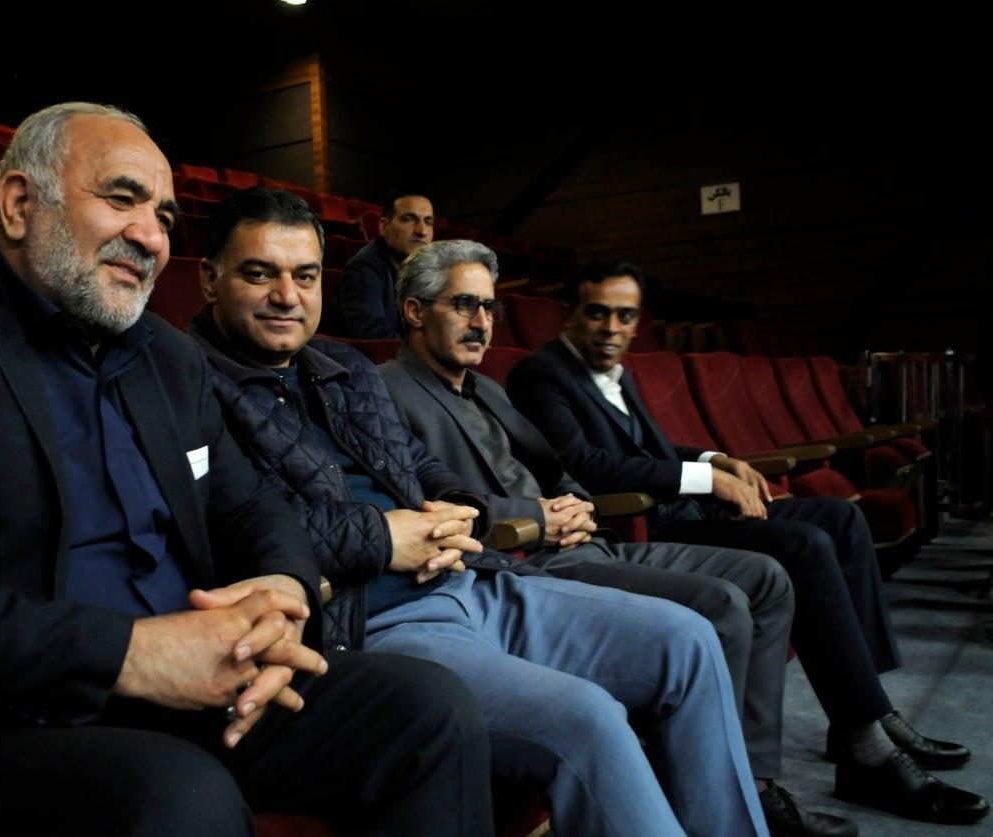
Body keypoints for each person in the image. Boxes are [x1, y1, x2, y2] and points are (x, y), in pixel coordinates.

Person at [0, 102, 497, 836]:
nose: (152, 236)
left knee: (429, 709)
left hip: (200, 690)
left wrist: (283, 594)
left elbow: (252, 509)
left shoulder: (168, 355)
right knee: (179, 795)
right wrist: (129, 654)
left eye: (163, 216)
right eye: (122, 198)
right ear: (20, 204)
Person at [189, 186, 769, 836]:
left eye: (305, 275)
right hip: (375, 620)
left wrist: (458, 510)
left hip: (476, 577)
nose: (287, 295)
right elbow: (235, 523)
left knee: (690, 640)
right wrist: (382, 536)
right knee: (589, 718)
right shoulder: (188, 386)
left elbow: (415, 461)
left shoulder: (343, 365)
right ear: (210, 279)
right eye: (259, 274)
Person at [379, 238, 868, 836]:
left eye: (489, 308)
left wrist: (577, 505)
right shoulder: (386, 391)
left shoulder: (489, 389)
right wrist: (536, 515)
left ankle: (752, 779)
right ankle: (711, 793)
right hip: (525, 559)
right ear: (414, 311)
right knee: (720, 603)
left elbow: (560, 468)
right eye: (464, 305)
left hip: (584, 537)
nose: (481, 322)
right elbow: (424, 506)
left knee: (765, 578)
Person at [507, 258, 989, 827]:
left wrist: (717, 458)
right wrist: (708, 480)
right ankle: (866, 746)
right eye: (598, 313)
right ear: (569, 315)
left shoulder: (617, 372)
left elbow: (650, 450)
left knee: (841, 519)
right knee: (805, 544)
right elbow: (584, 464)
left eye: (625, 316)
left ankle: (867, 714)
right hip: (645, 523)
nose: (612, 328)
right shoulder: (541, 374)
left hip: (680, 507)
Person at [338, 187, 433, 337]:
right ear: (384, 227)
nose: (422, 231)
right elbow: (374, 337)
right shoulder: (363, 269)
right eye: (408, 219)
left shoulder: (425, 271)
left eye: (428, 222)